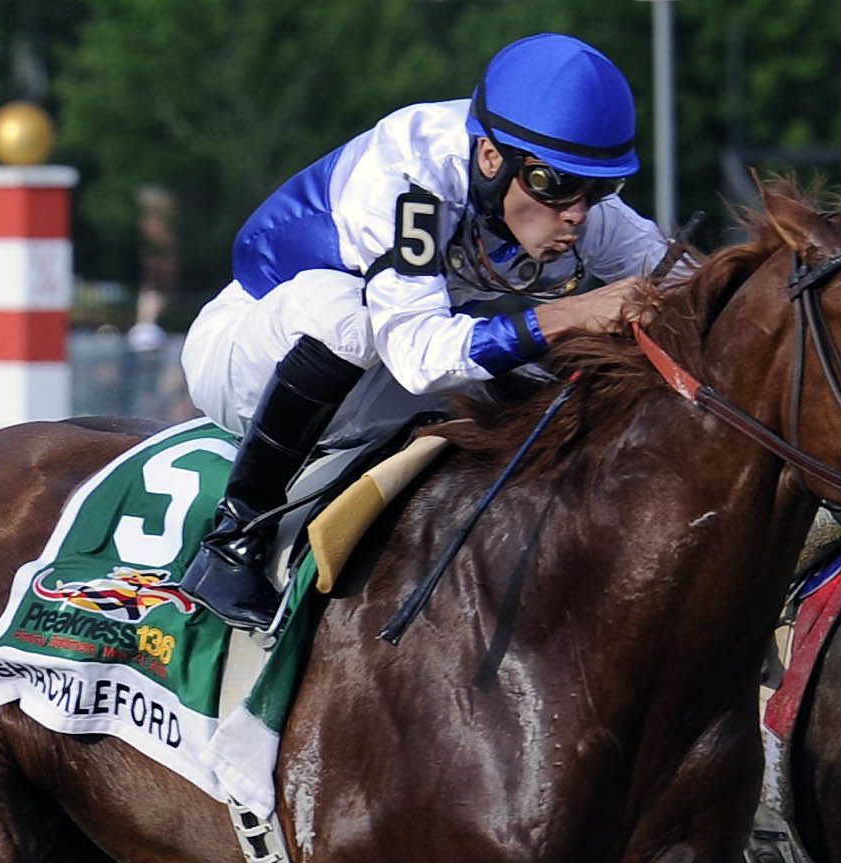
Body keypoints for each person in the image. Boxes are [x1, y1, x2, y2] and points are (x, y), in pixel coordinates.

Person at [178, 33, 668, 628]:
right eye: (554, 184)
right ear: (491, 157)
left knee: (556, 369)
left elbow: (690, 285)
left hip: (380, 392)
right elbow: (416, 356)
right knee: (353, 315)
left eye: (599, 189)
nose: (576, 211)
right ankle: (235, 536)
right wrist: (568, 314)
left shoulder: (572, 204)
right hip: (251, 360)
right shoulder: (412, 171)